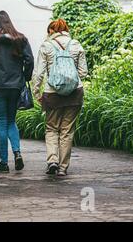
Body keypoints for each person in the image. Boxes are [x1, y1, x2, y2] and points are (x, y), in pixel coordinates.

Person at [33, 19, 88, 176]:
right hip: (75, 93)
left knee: (51, 128)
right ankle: (63, 168)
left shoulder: (46, 45)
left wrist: (37, 94)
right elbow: (83, 72)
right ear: (66, 29)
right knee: (67, 131)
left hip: (52, 94)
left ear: (51, 31)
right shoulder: (76, 44)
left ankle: (52, 161)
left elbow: (39, 74)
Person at [0, 11, 34, 173]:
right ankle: (17, 153)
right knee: (11, 121)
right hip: (16, 86)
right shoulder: (21, 39)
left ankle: (4, 163)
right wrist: (25, 76)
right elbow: (30, 60)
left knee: (1, 122)